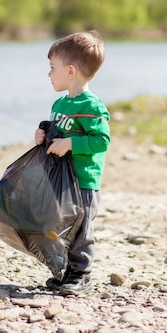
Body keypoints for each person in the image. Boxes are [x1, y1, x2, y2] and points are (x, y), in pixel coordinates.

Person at [35, 31, 110, 295]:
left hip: (83, 180)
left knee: (80, 228)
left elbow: (101, 140)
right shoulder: (60, 104)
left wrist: (70, 144)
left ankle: (81, 273)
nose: (49, 74)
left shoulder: (91, 105)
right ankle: (67, 270)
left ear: (70, 70)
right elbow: (59, 135)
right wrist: (43, 136)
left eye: (52, 68)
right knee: (62, 225)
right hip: (60, 178)